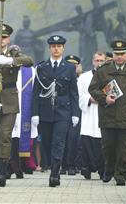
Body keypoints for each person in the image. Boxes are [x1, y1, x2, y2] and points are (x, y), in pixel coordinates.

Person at [0, 23, 33, 187]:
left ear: (8, 39)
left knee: (5, 136)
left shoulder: (14, 54)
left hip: (9, 101)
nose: (1, 40)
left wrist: (10, 60)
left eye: (5, 37)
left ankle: (2, 170)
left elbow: (29, 61)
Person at [88, 40, 126, 186]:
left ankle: (121, 174)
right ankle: (109, 168)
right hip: (108, 115)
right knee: (108, 146)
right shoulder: (103, 70)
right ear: (113, 54)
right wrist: (104, 98)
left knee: (125, 149)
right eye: (116, 54)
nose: (119, 57)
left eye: (122, 54)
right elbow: (93, 89)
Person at [32, 35, 80, 187]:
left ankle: (55, 173)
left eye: (59, 46)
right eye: (53, 46)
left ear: (63, 48)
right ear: (50, 48)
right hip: (45, 111)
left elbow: (73, 92)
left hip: (63, 111)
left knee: (58, 143)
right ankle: (51, 166)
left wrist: (75, 113)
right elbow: (35, 92)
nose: (56, 48)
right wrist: (35, 113)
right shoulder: (41, 67)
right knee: (46, 143)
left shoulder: (69, 68)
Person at [77, 51, 106, 180]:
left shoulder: (109, 76)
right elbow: (80, 95)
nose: (99, 63)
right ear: (92, 61)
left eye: (101, 61)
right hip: (89, 114)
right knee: (87, 142)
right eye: (97, 60)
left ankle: (102, 170)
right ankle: (86, 168)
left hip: (103, 113)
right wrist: (90, 99)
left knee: (102, 144)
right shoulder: (83, 77)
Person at [9, 65, 38, 179]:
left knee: (23, 136)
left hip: (25, 108)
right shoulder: (4, 67)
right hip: (9, 107)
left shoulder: (30, 71)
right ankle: (10, 166)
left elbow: (35, 92)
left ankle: (22, 165)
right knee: (9, 137)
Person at [61, 55, 83, 176]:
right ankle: (63, 165)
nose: (72, 67)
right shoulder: (62, 76)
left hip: (78, 112)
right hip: (64, 111)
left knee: (74, 139)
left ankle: (72, 165)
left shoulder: (83, 78)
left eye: (75, 65)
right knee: (62, 139)